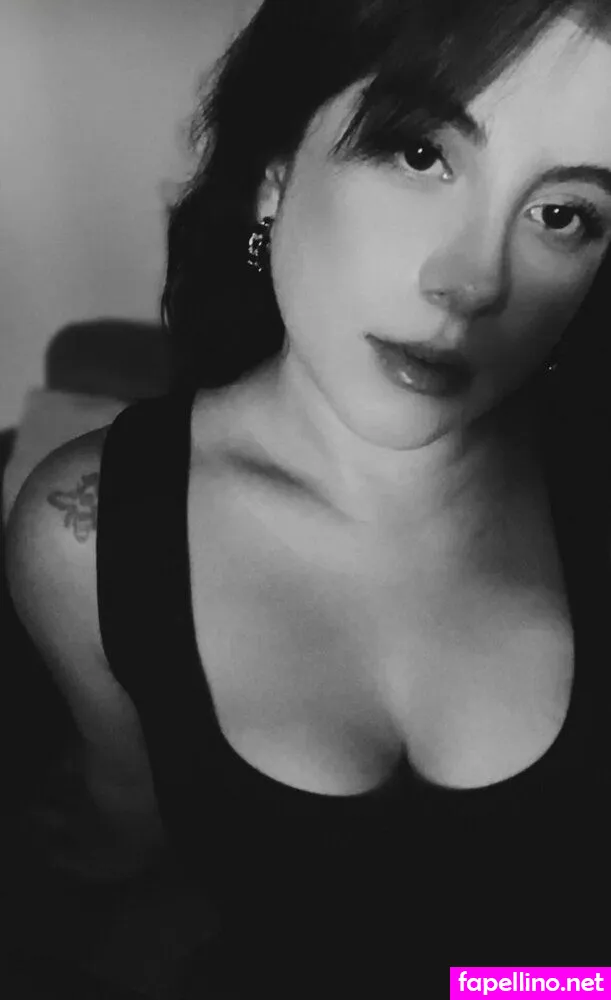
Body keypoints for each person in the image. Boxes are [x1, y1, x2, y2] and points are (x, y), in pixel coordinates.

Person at [5, 0, 611, 993]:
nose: (472, 282)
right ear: (276, 172)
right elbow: (126, 813)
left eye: (562, 214)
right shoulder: (86, 533)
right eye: (420, 154)